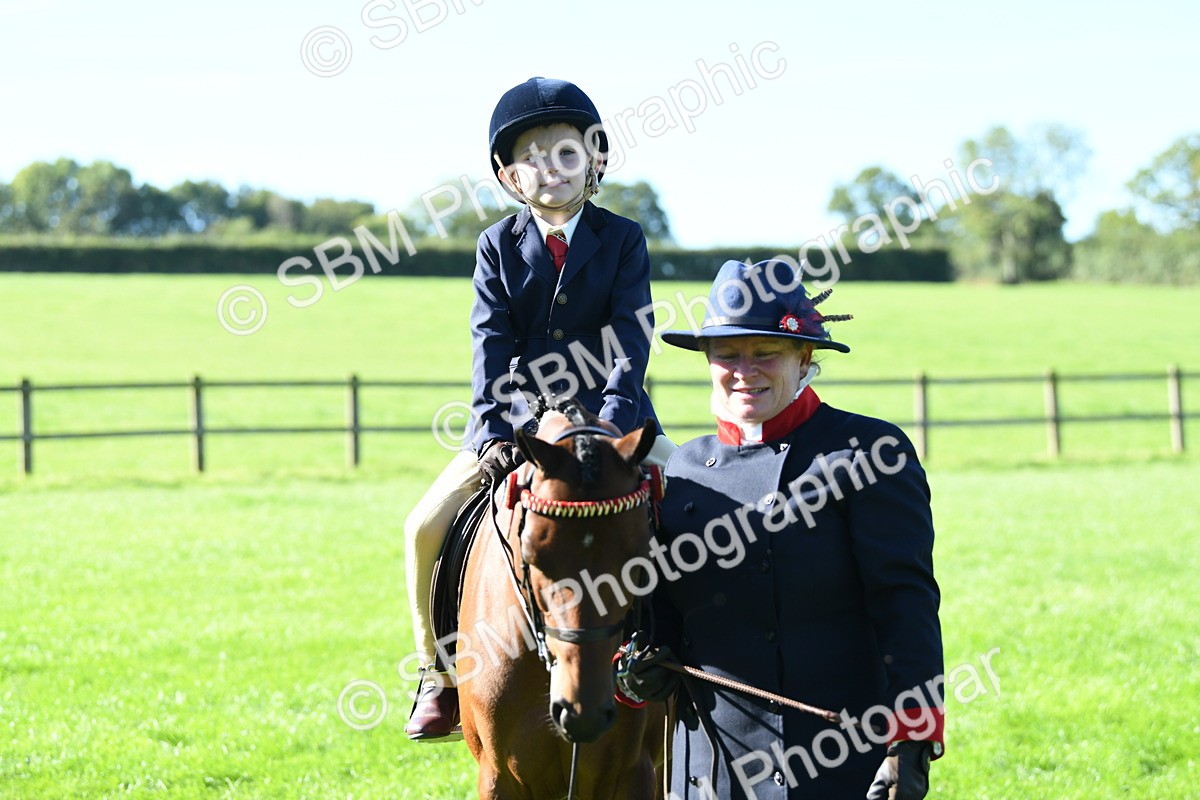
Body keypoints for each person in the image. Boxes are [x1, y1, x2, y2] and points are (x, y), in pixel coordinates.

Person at [403, 76, 675, 741]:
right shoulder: (496, 245)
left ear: (596, 162)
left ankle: (677, 658)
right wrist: (501, 430)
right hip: (516, 428)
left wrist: (612, 425)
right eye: (532, 157)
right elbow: (491, 344)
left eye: (566, 152)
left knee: (699, 505)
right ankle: (436, 674)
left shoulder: (624, 239)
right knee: (421, 526)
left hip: (617, 423)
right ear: (508, 175)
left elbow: (628, 338)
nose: (550, 168)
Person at [617, 259, 944, 797]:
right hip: (707, 766)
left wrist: (910, 740)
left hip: (834, 758)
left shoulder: (868, 453)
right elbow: (667, 611)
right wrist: (644, 662)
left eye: (765, 352)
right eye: (727, 353)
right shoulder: (681, 468)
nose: (745, 370)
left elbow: (904, 602)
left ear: (804, 357)